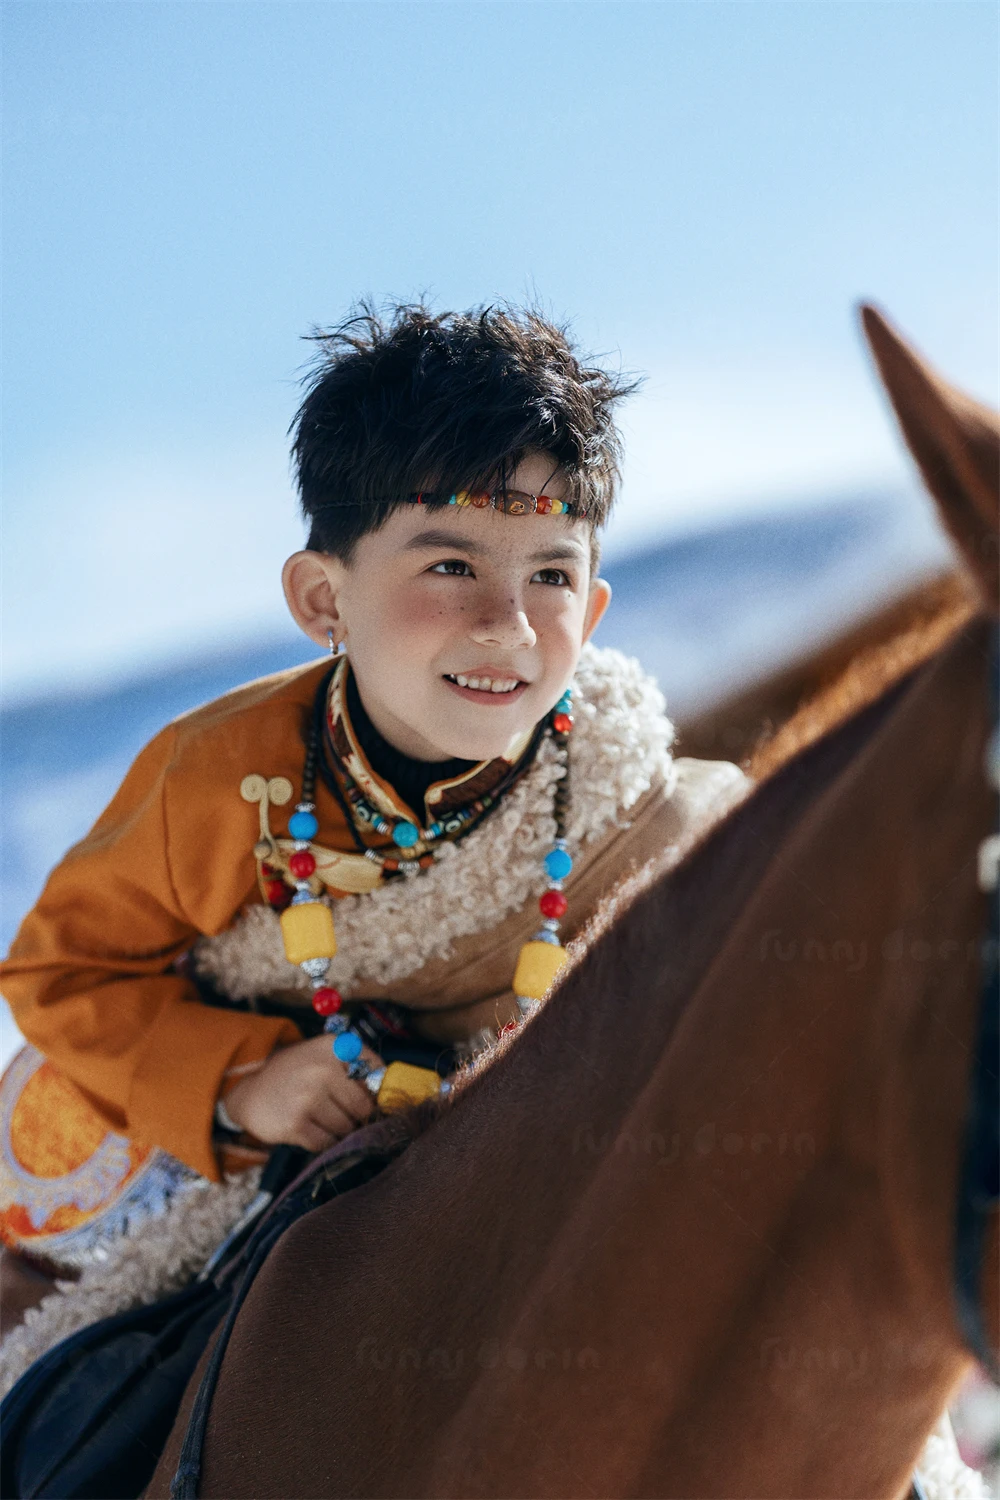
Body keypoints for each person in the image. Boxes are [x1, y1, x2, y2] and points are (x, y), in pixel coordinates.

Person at [0, 303, 748, 1361]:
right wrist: (241, 1081)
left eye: (550, 575)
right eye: (449, 568)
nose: (508, 623)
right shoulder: (215, 780)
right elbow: (62, 973)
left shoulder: (672, 827)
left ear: (594, 607)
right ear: (322, 599)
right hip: (275, 1182)